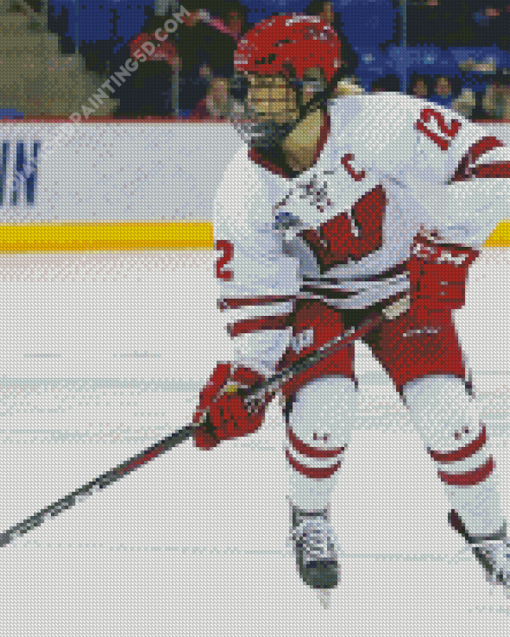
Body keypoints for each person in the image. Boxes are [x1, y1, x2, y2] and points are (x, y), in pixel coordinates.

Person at [191, 14, 510, 607]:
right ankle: (308, 517)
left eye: (265, 83)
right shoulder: (243, 188)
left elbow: (494, 164)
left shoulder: (384, 123)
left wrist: (448, 247)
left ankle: (491, 535)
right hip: (320, 303)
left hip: (404, 288)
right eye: (248, 84)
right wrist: (246, 379)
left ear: (311, 82)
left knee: (450, 415)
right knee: (324, 408)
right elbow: (259, 298)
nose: (249, 98)